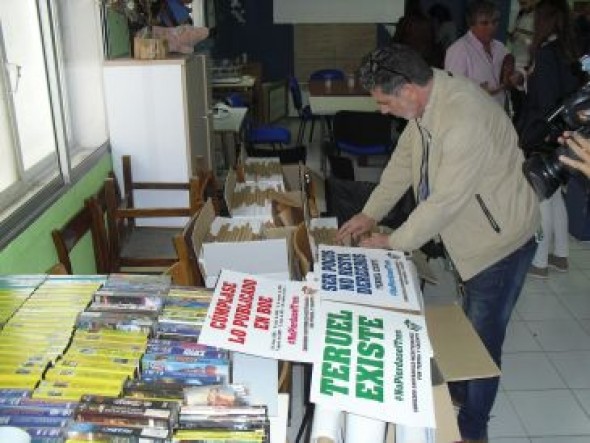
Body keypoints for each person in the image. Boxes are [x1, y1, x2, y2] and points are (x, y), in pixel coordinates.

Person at [336, 44, 540, 443]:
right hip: (474, 232)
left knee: (482, 342)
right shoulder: (429, 102)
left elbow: (443, 203)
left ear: (409, 90)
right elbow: (400, 163)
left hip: (500, 243)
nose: (381, 111)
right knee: (471, 323)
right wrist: (369, 213)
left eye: (383, 102)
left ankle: (471, 429)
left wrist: (393, 242)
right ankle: (461, 392)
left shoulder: (463, 119)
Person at [516, 0, 582, 278]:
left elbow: (543, 102)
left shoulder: (544, 53)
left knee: (540, 196)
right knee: (554, 196)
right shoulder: (570, 51)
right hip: (567, 134)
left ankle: (539, 261)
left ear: (543, 21)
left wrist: (524, 87)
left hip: (543, 133)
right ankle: (561, 256)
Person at [445, 0, 521, 110]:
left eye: (495, 22)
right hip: (474, 117)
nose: (491, 27)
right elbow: (452, 90)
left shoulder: (500, 47)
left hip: (500, 115)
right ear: (471, 25)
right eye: (484, 23)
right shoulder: (458, 50)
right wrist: (476, 91)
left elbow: (516, 70)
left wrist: (518, 77)